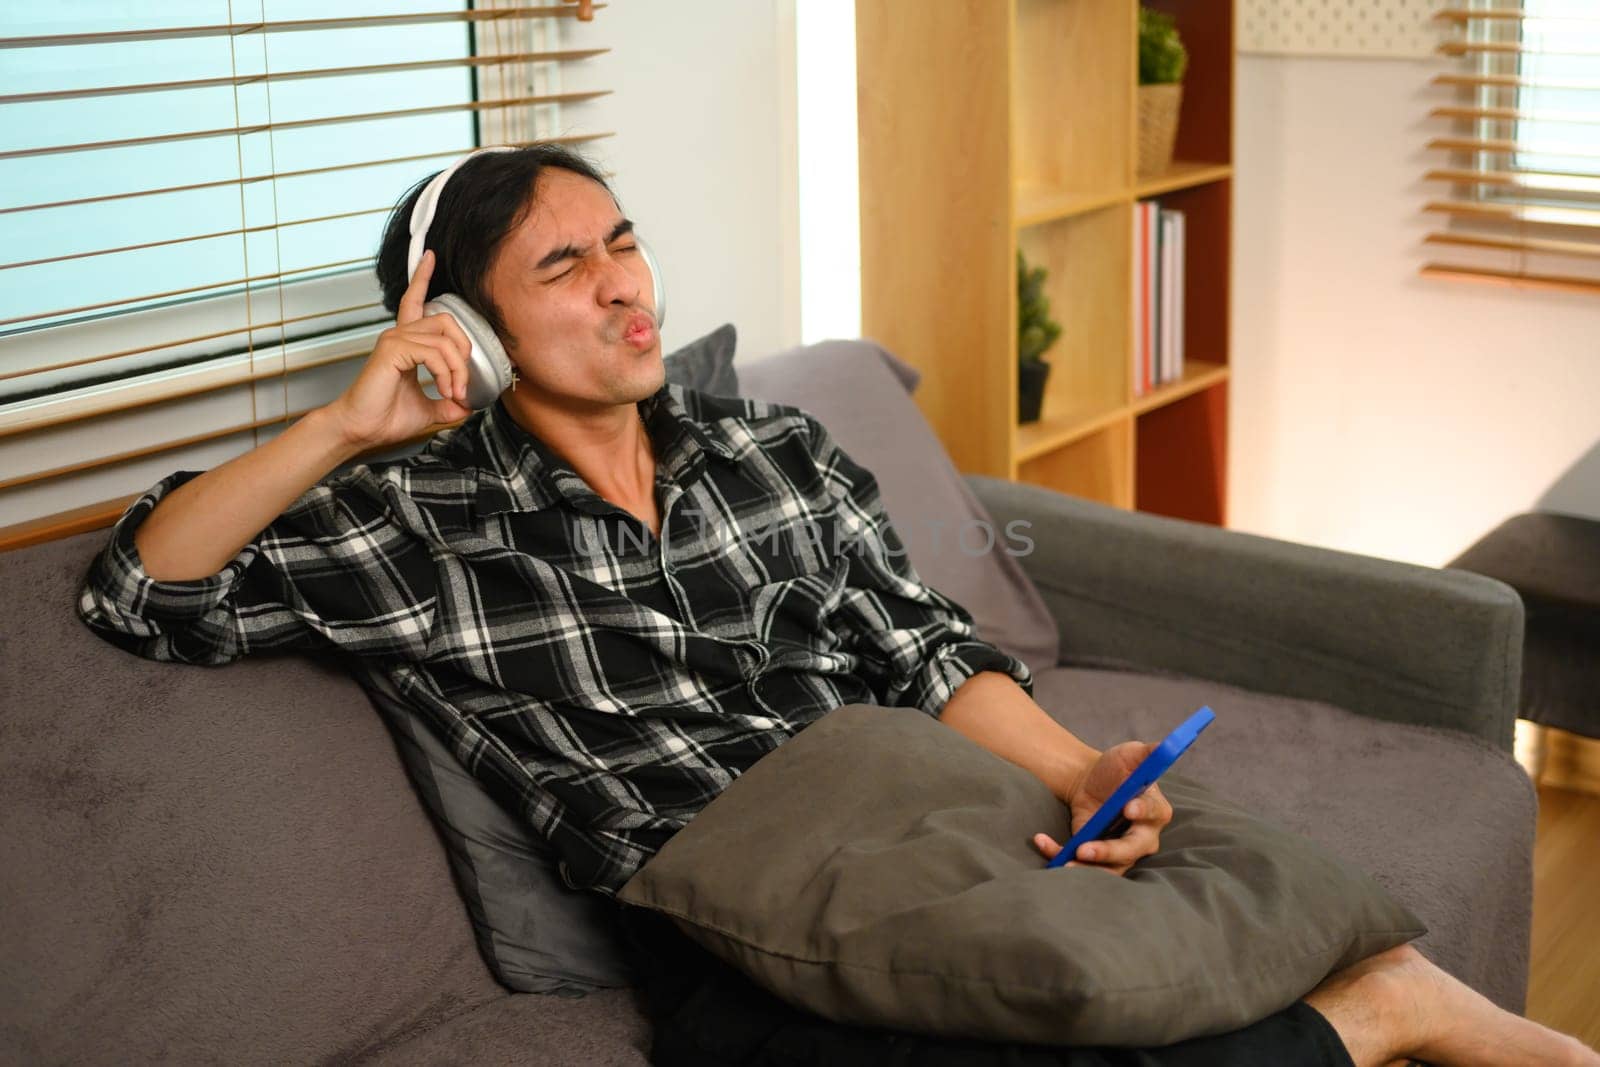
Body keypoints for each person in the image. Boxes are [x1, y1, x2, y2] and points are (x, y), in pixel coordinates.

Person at [78, 144, 1595, 1067]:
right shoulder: (408, 525)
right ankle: (1383, 1012)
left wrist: (1073, 769)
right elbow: (142, 594)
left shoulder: (770, 448)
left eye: (623, 240)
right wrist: (346, 427)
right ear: (467, 324)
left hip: (914, 803)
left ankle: (1385, 976)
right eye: (562, 264)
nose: (625, 285)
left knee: (1215, 878)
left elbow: (921, 647)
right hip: (719, 890)